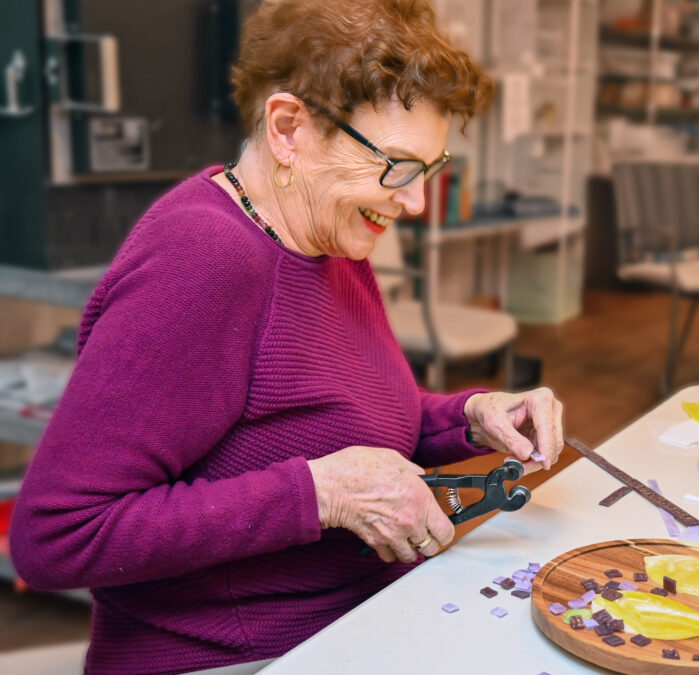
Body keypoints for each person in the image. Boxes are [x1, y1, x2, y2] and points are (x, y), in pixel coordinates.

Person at [10, 1, 564, 672]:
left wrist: (472, 417)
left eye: (429, 168)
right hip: (231, 658)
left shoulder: (331, 241)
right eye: (396, 165)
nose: (415, 202)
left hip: (359, 624)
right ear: (289, 128)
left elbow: (352, 417)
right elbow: (57, 536)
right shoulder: (205, 261)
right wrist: (319, 494)